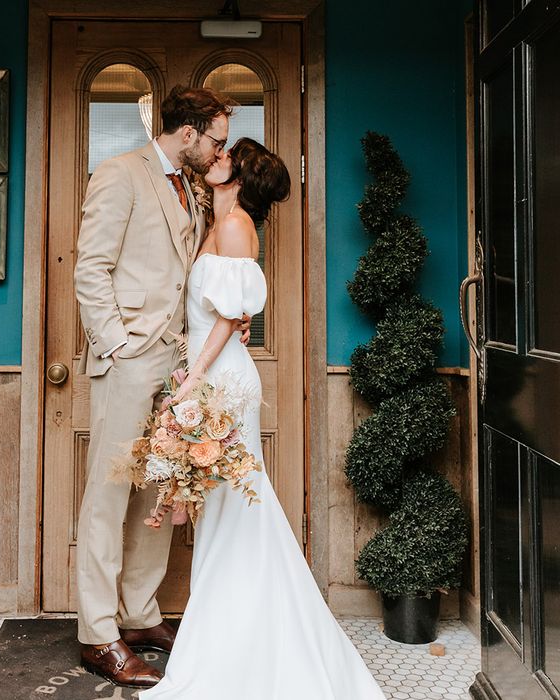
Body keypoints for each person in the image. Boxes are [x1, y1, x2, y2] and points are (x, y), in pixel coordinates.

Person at [139, 138, 388, 699]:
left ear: (241, 179)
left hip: (222, 381)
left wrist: (194, 378)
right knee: (230, 512)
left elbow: (230, 317)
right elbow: (233, 308)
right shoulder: (221, 220)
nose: (216, 159)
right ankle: (235, 635)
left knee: (234, 510)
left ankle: (244, 645)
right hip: (215, 372)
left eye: (227, 158)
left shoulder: (234, 227)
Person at [73, 85, 249, 689]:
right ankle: (98, 633)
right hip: (128, 359)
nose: (220, 148)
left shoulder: (191, 187)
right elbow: (90, 266)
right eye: (217, 138)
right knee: (108, 493)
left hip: (176, 362)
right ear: (190, 130)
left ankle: (141, 614)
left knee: (156, 490)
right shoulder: (121, 173)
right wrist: (116, 344)